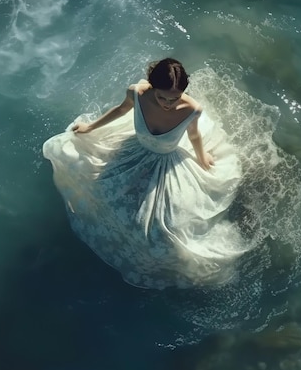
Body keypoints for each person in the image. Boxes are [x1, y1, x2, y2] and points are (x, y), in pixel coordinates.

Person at [42, 58, 249, 289]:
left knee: (167, 228)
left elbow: (194, 136)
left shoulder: (191, 110)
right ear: (151, 86)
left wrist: (202, 157)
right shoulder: (137, 93)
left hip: (167, 162)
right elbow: (120, 110)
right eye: (163, 97)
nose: (169, 104)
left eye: (175, 98)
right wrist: (90, 128)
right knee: (98, 187)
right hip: (135, 151)